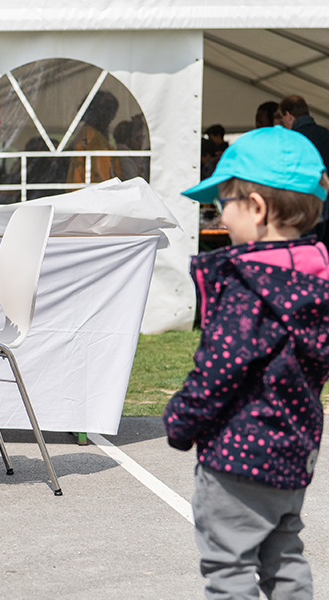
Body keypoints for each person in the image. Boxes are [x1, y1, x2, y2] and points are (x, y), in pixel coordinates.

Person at [164, 125, 329, 600]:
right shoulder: (315, 284)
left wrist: (181, 420)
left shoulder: (248, 287)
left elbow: (219, 368)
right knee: (285, 557)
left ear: (256, 209)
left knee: (229, 568)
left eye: (223, 205)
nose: (220, 218)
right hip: (294, 454)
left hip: (238, 459)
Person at [279, 95, 329, 244]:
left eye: (282, 119)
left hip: (306, 208)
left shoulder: (292, 139)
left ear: (288, 115)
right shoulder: (326, 134)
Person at [65, 91, 122, 185]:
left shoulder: (88, 134)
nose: (111, 118)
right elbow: (101, 172)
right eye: (109, 112)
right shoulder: (90, 136)